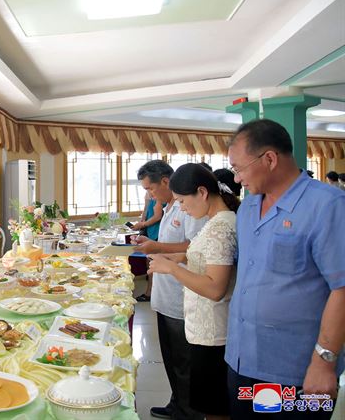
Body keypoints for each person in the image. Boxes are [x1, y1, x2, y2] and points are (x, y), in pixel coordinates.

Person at [225, 119, 345, 419]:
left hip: (298, 372)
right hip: (242, 361)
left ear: (269, 159)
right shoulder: (248, 208)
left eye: (239, 168)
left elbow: (342, 288)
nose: (237, 179)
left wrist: (324, 362)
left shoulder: (328, 205)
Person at [149, 164, 240, 420]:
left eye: (182, 201)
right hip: (204, 327)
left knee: (215, 409)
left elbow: (215, 288)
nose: (183, 209)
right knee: (210, 404)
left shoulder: (221, 228)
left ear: (201, 192)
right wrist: (177, 256)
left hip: (214, 330)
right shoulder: (216, 221)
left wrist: (172, 269)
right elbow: (202, 256)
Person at [134, 160, 207, 420]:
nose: (149, 195)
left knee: (184, 362)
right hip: (164, 297)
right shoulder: (168, 206)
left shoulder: (188, 206)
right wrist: (153, 243)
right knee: (171, 359)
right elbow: (168, 243)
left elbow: (194, 246)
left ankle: (189, 412)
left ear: (166, 181)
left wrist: (157, 247)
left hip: (180, 297)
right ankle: (176, 404)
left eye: (151, 189)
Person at [134, 192, 165, 302]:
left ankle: (151, 293)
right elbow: (146, 209)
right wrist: (141, 223)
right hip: (150, 231)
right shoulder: (149, 192)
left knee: (153, 264)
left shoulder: (160, 194)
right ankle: (150, 292)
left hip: (157, 232)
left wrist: (142, 224)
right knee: (149, 264)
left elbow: (157, 216)